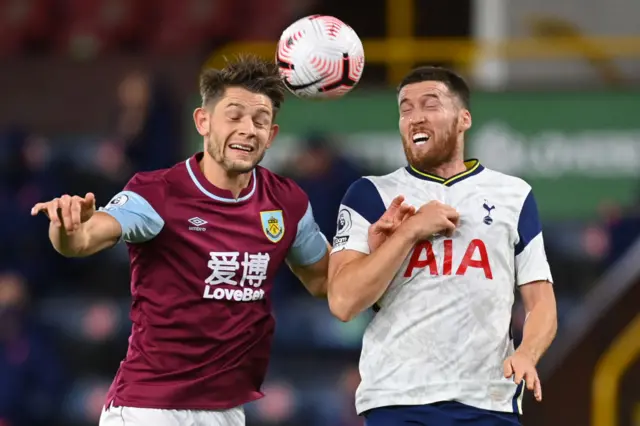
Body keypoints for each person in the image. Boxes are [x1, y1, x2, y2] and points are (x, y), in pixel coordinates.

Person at [30, 55, 403, 426]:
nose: (248, 129)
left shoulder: (287, 203)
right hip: (149, 409)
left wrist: (368, 247)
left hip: (226, 412)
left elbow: (326, 282)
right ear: (203, 121)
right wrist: (66, 224)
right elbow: (82, 240)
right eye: (234, 116)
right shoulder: (158, 193)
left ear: (271, 135)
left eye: (260, 120)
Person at [327, 66, 558, 426]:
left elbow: (541, 301)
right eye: (405, 109)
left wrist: (527, 352)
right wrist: (409, 232)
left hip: (489, 400)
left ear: (463, 118)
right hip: (398, 399)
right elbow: (342, 302)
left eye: (429, 105)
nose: (415, 117)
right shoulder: (371, 194)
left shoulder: (514, 195)